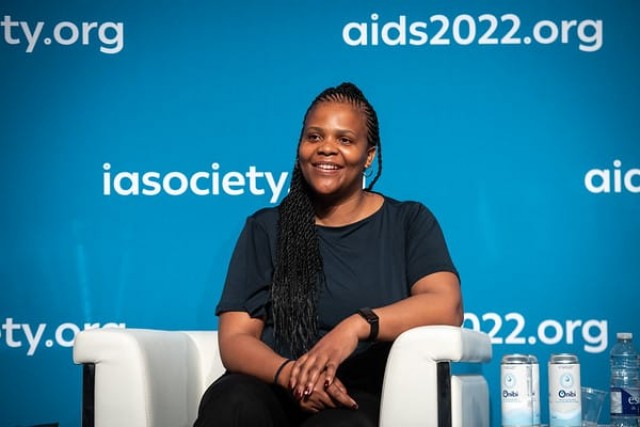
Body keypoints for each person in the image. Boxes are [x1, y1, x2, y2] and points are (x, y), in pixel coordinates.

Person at [194, 82, 463, 427]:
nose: (326, 149)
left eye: (345, 140)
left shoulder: (408, 222)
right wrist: (293, 376)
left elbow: (446, 305)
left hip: (355, 394)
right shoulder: (266, 227)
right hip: (274, 383)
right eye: (314, 137)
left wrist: (356, 326)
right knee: (233, 405)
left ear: (369, 155)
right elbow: (235, 339)